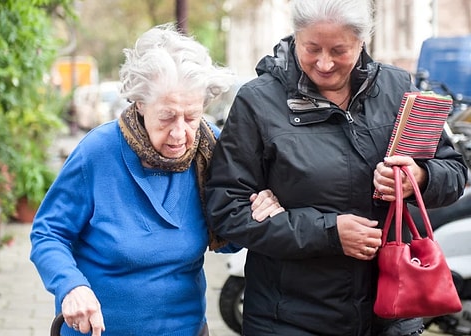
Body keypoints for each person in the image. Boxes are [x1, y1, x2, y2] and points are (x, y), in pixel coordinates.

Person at [204, 0, 468, 335]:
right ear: (295, 37)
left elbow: (453, 172)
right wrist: (328, 233)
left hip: (390, 316)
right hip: (289, 319)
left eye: (339, 50)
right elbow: (226, 210)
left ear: (361, 42)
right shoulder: (257, 102)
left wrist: (420, 176)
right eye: (311, 48)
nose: (324, 63)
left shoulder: (398, 88)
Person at [29, 24, 278, 336]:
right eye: (166, 117)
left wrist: (258, 212)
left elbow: (229, 242)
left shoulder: (212, 149)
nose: (179, 133)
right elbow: (48, 233)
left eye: (191, 117)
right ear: (141, 103)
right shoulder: (98, 152)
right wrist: (70, 285)